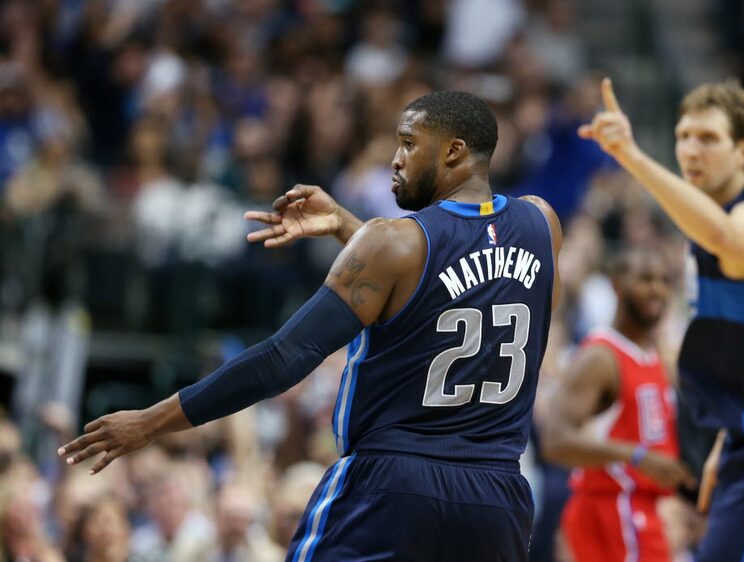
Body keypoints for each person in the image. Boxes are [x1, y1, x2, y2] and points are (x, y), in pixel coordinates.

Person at [58, 91, 563, 561]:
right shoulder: (542, 224)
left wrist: (151, 422)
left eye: (409, 143)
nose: (395, 159)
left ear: (453, 152)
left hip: (393, 484)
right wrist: (349, 225)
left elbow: (284, 358)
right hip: (498, 497)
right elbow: (458, 273)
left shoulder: (393, 242)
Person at [578, 78, 744, 561]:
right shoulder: (704, 226)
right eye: (684, 136)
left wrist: (631, 156)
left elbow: (730, 238)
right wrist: (725, 438)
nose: (691, 149)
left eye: (708, 138)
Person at [543, 248, 693, 562]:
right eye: (645, 279)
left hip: (643, 509)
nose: (657, 289)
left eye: (664, 281)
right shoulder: (600, 355)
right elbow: (555, 441)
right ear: (617, 285)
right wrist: (636, 457)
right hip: (611, 508)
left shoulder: (653, 354)